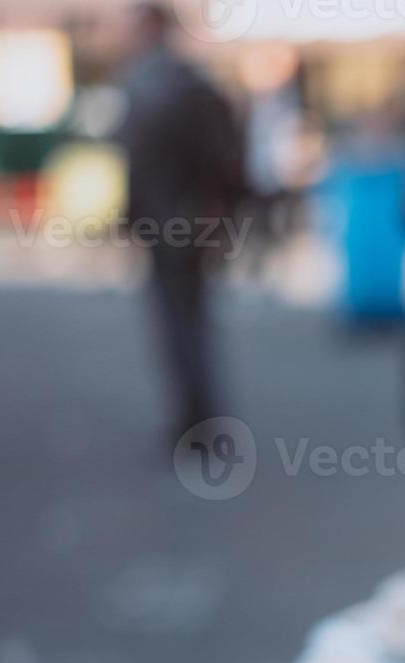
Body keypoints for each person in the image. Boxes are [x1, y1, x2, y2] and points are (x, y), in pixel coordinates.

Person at [115, 4, 244, 441]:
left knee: (176, 324)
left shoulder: (145, 85)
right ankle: (201, 417)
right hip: (193, 221)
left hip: (166, 221)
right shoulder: (191, 83)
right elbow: (223, 159)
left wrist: (130, 217)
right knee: (193, 322)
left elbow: (136, 165)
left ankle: (193, 420)